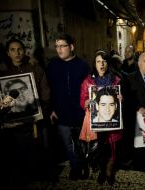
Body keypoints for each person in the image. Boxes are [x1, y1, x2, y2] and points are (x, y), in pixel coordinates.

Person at [0, 38, 51, 189]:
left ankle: (42, 177)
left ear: (24, 50)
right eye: (13, 50)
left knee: (40, 148)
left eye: (20, 49)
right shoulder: (2, 71)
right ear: (8, 53)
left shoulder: (35, 68)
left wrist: (41, 111)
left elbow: (45, 91)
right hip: (14, 121)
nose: (17, 53)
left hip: (35, 117)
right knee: (18, 151)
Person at [46, 33, 90, 181]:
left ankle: (84, 166)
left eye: (62, 46)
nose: (59, 49)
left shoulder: (83, 66)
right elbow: (49, 89)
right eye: (57, 46)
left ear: (71, 47)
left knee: (82, 143)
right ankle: (75, 167)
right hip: (61, 113)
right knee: (68, 145)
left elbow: (89, 89)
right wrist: (51, 109)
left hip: (80, 113)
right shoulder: (52, 65)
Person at [80, 50, 122, 185]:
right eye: (98, 61)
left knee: (112, 149)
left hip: (112, 123)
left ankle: (109, 171)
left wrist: (121, 99)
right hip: (97, 124)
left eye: (104, 61)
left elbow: (120, 102)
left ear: (108, 63)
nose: (101, 64)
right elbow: (82, 100)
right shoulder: (88, 81)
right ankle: (102, 171)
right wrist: (86, 103)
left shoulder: (116, 80)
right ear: (95, 64)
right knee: (100, 149)